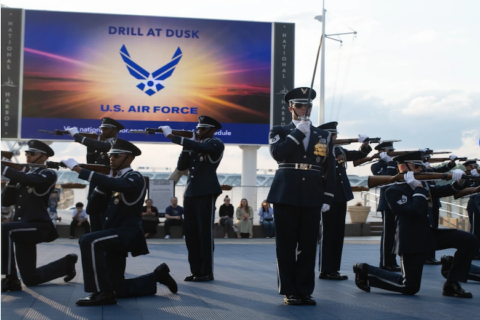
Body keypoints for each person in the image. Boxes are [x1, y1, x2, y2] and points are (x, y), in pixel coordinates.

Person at [61, 138, 177, 306]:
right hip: (113, 235)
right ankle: (158, 276)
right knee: (118, 288)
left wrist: (78, 169)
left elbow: (116, 183)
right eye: (110, 156)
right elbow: (93, 208)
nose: (111, 159)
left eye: (116, 156)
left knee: (89, 240)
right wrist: (102, 184)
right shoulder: (113, 180)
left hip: (127, 233)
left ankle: (102, 293)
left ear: (129, 158)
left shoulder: (134, 177)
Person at [353, 151, 478, 298]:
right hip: (411, 242)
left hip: (429, 234)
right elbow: (414, 211)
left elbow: (444, 190)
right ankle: (365, 270)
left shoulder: (421, 185)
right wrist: (418, 188)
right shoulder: (392, 190)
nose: (422, 170)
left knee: (469, 240)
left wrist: (459, 181)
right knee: (409, 287)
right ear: (404, 168)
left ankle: (452, 283)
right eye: (418, 167)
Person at [266, 87, 336, 306]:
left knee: (308, 246)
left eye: (308, 105)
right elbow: (278, 154)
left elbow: (329, 168)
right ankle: (290, 290)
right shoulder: (279, 130)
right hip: (286, 193)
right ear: (291, 108)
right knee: (286, 245)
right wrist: (298, 133)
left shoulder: (323, 135)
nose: (305, 109)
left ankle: (305, 290)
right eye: (300, 105)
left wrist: (327, 197)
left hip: (312, 194)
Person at [1, 140, 77, 292]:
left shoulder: (48, 173)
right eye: (26, 153)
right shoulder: (23, 175)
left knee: (4, 229)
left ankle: (10, 278)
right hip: (22, 227)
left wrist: (6, 169)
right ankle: (66, 264)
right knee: (30, 279)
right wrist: (12, 179)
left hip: (38, 226)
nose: (28, 155)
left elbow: (30, 180)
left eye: (32, 153)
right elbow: (5, 201)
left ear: (43, 157)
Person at [159, 115, 224, 282]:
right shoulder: (194, 146)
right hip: (190, 193)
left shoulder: (216, 143)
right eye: (198, 128)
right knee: (191, 233)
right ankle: (196, 270)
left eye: (203, 128)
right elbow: (181, 167)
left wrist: (174, 137)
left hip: (206, 192)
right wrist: (185, 146)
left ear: (212, 130)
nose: (199, 131)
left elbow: (203, 148)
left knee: (204, 233)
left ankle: (206, 271)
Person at [317, 122, 372, 280]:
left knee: (338, 234)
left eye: (336, 134)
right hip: (328, 196)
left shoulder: (339, 150)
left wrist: (365, 145)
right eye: (333, 135)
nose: (336, 137)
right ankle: (325, 269)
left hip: (341, 195)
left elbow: (358, 155)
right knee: (328, 234)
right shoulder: (320, 150)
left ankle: (334, 269)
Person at [66, 117, 124, 232]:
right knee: (95, 222)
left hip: (107, 188)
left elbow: (103, 146)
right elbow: (91, 163)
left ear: (115, 130)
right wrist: (90, 148)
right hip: (95, 186)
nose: (102, 131)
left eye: (106, 129)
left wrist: (78, 137)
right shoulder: (100, 145)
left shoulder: (115, 143)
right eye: (102, 129)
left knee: (104, 223)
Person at [421, 150, 459, 265]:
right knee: (426, 230)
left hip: (434, 203)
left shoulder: (429, 170)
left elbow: (442, 171)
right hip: (425, 204)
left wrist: (451, 163)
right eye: (425, 158)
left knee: (434, 229)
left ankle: (430, 256)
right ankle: (425, 256)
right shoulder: (420, 171)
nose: (427, 160)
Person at [370, 141, 401, 272]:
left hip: (397, 203)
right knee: (387, 234)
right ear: (382, 151)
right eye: (389, 150)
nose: (392, 153)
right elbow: (385, 179)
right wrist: (389, 163)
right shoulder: (376, 166)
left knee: (394, 235)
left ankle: (392, 261)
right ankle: (385, 262)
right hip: (387, 203)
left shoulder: (395, 164)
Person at [463, 159, 480, 259]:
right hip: (474, 206)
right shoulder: (467, 177)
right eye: (474, 166)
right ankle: (473, 251)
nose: (476, 168)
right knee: (475, 230)